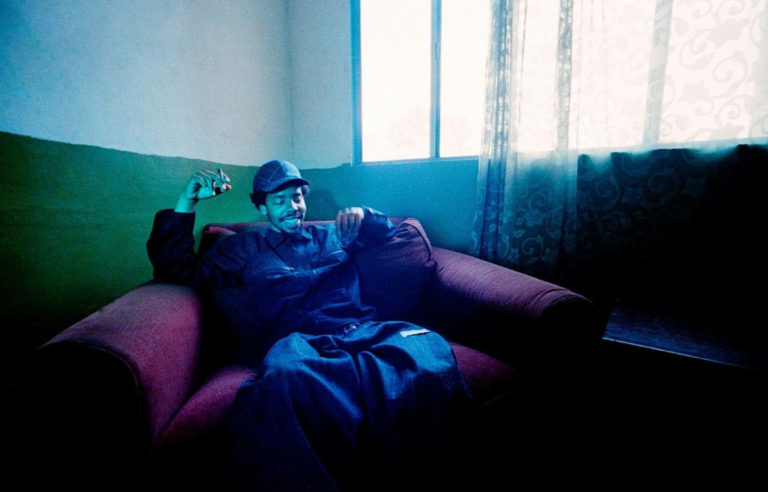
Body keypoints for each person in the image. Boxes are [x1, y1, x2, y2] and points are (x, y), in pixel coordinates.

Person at [146, 160, 471, 491]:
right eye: (279, 200)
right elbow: (176, 268)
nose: (292, 207)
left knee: (426, 349)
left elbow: (386, 232)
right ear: (261, 207)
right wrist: (187, 201)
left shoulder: (333, 234)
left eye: (297, 197)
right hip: (300, 345)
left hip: (361, 330)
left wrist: (364, 215)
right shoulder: (243, 247)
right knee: (284, 379)